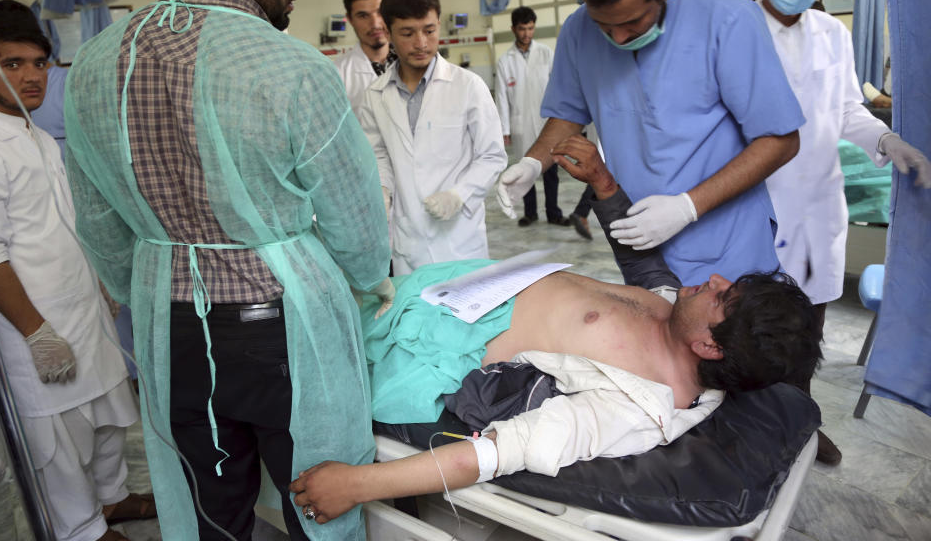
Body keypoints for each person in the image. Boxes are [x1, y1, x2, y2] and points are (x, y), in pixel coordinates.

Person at [63, 0, 393, 539]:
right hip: (286, 326)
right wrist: (362, 290)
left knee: (209, 510)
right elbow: (357, 226)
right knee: (319, 499)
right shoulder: (290, 66)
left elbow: (100, 223)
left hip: (170, 326)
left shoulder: (96, 68)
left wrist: (153, 295)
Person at [289, 134, 821, 524]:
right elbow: (646, 268)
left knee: (293, 331)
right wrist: (603, 183)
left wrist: (358, 484)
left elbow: (495, 453)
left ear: (708, 345)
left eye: (722, 297)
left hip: (430, 339)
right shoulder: (672, 314)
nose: (714, 279)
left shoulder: (632, 407)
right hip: (456, 287)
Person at [496, 0, 806, 286]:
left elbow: (781, 140)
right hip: (640, 240)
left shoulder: (728, 20)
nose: (619, 38)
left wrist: (687, 207)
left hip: (727, 239)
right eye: (604, 26)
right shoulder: (578, 31)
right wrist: (533, 163)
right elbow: (567, 114)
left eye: (632, 22)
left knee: (728, 337)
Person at [0, 0, 153, 541]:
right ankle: (80, 529)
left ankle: (112, 500)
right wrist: (37, 333)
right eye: (13, 63)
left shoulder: (37, 136)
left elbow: (63, 225)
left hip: (82, 311)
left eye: (40, 63)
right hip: (36, 324)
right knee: (59, 442)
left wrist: (99, 283)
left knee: (107, 418)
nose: (32, 76)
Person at [753, 0, 931, 465]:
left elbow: (849, 108)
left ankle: (803, 424)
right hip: (756, 203)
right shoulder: (737, 32)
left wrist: (886, 142)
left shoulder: (833, 33)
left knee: (811, 325)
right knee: (753, 326)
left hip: (818, 203)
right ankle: (753, 431)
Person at [357, 0, 507, 275]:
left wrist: (459, 194)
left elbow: (492, 156)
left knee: (463, 317)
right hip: (407, 241)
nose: (421, 43)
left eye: (429, 30)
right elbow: (379, 156)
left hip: (460, 240)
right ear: (388, 32)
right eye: (408, 33)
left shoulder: (467, 86)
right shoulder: (375, 95)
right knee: (415, 316)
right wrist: (383, 189)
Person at [495, 6, 569, 228]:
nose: (527, 33)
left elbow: (558, 88)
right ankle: (530, 213)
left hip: (546, 122)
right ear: (513, 29)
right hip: (520, 125)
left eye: (530, 28)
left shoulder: (546, 53)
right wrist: (504, 130)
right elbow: (501, 98)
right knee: (524, 171)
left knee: (551, 172)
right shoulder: (504, 61)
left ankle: (554, 213)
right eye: (522, 29)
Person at [334, 0, 395, 114]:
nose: (375, 24)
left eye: (380, 13)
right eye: (363, 16)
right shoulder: (338, 74)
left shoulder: (411, 61)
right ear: (350, 19)